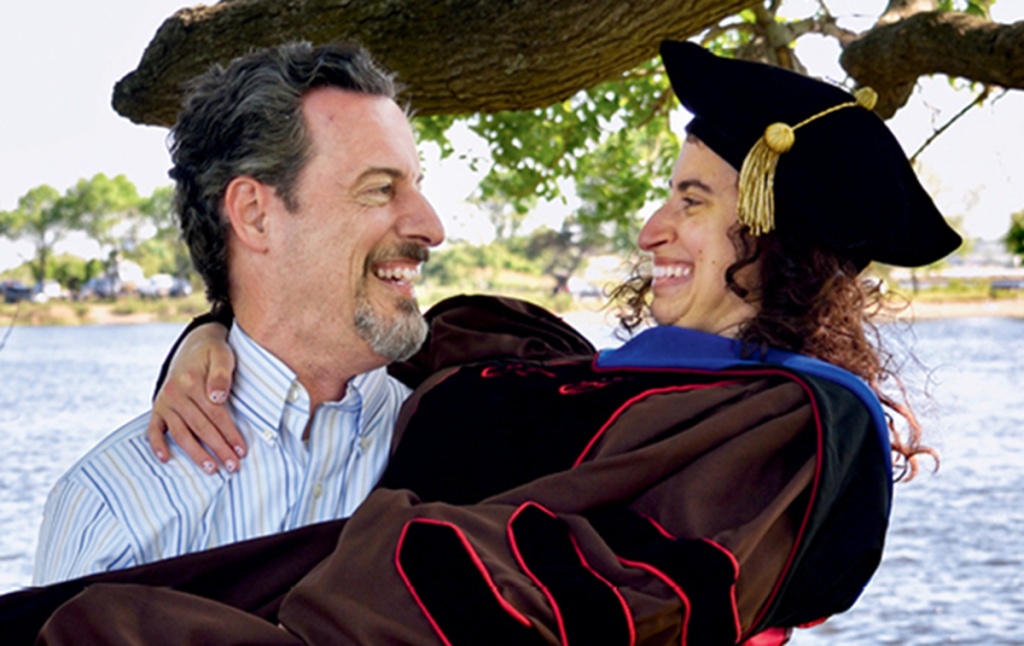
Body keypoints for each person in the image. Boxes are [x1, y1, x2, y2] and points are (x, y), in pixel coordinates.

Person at [9, 40, 960, 644]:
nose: (650, 230)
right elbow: (344, 333)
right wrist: (211, 330)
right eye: (380, 189)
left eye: (692, 199)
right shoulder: (561, 369)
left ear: (776, 231)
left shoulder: (794, 429)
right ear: (253, 215)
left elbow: (601, 594)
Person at [31, 41, 445, 584]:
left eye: (416, 186)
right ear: (254, 215)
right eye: (380, 189)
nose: (431, 227)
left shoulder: (476, 440)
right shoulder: (109, 513)